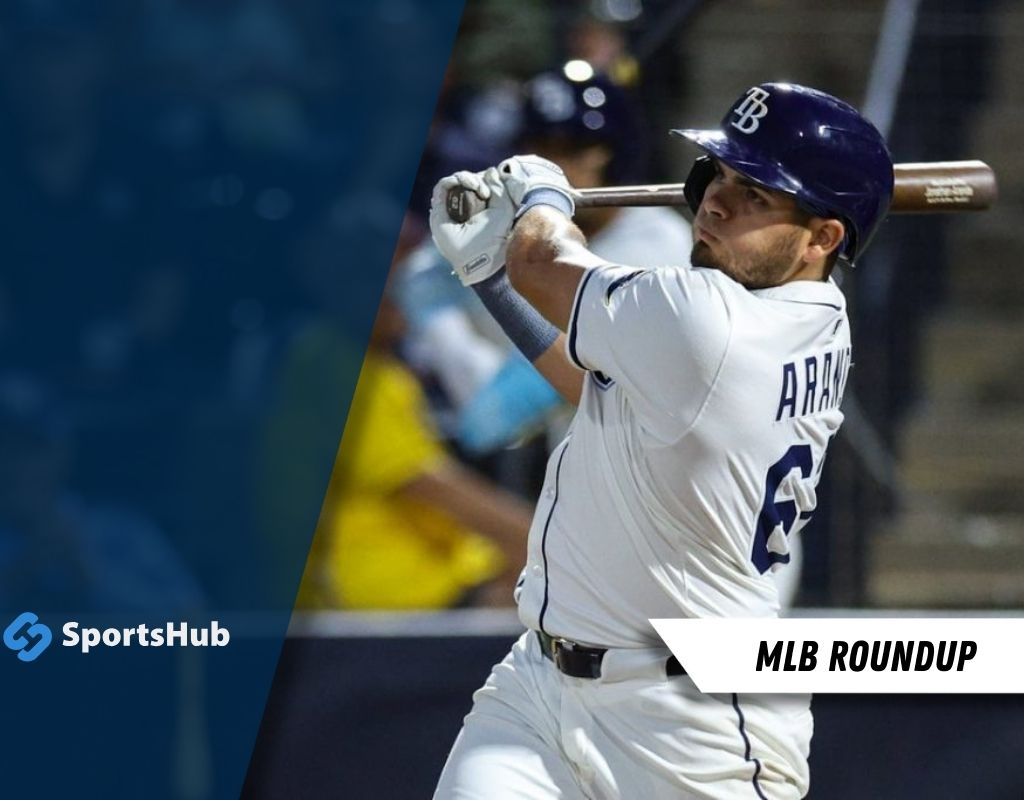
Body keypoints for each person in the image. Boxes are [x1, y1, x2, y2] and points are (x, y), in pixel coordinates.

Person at [426, 83, 893, 798]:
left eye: (758, 196)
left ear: (823, 238)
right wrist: (490, 277)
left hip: (692, 724)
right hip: (540, 688)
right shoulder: (800, 316)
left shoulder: (715, 323)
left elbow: (542, 262)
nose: (715, 203)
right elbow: (599, 390)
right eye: (723, 175)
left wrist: (543, 198)